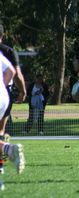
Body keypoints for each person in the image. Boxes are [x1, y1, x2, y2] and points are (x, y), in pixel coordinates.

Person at [0, 24, 26, 174]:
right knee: (1, 130)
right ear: (3, 35)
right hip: (5, 94)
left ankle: (7, 153)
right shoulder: (8, 51)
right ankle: (1, 164)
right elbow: (15, 73)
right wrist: (22, 91)